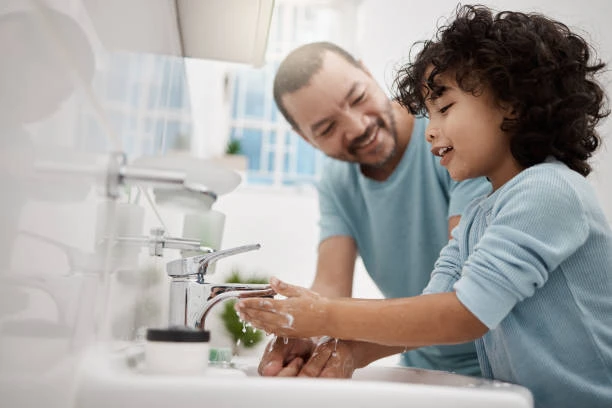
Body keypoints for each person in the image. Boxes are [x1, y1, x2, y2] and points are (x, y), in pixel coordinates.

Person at [237, 5, 612, 408]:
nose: (429, 129)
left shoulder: (548, 191)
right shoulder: (479, 214)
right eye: (428, 112)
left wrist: (323, 316)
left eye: (444, 109)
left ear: (512, 103)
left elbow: (464, 312)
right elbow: (435, 304)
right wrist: (343, 352)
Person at [257, 40, 492, 378]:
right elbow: (331, 285)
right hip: (421, 370)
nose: (357, 127)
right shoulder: (338, 181)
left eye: (358, 98)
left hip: (497, 366)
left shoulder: (447, 139)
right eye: (326, 128)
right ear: (307, 139)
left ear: (368, 73)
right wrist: (304, 333)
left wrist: (345, 341)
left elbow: (463, 289)